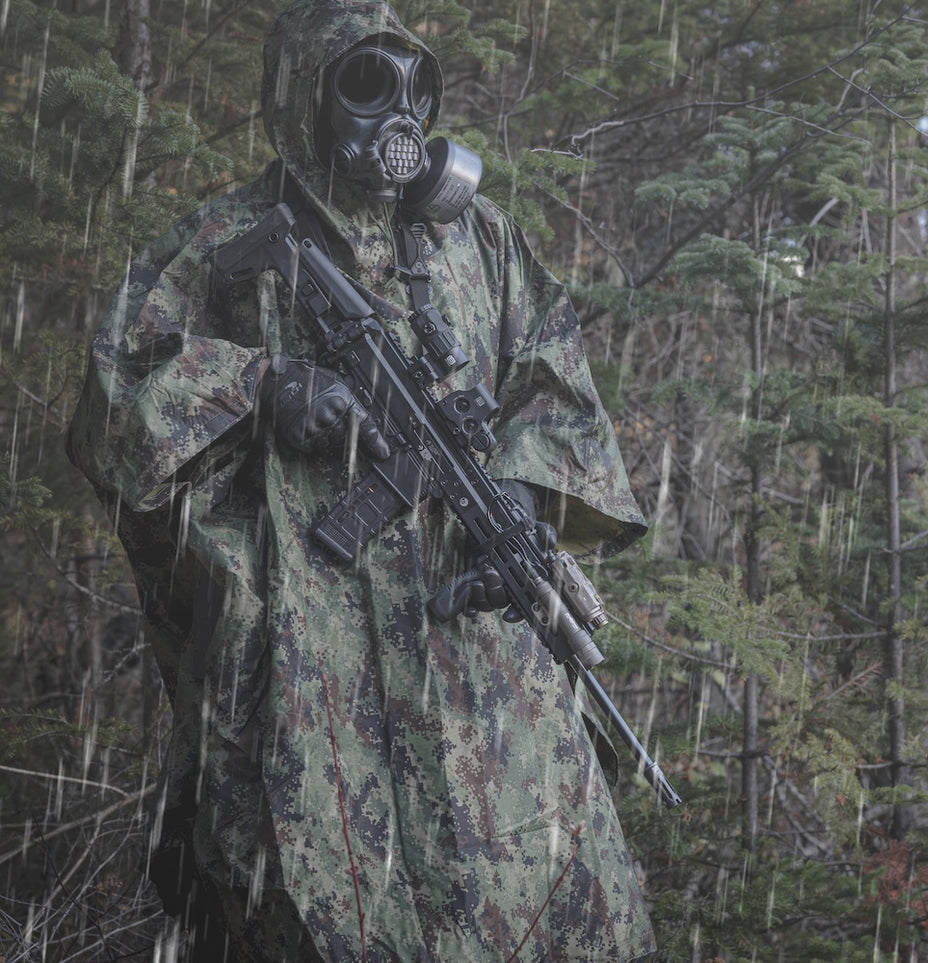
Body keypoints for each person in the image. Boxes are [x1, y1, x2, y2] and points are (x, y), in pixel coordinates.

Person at [65, 1, 656, 959]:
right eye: (364, 84)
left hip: (480, 683)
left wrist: (521, 489)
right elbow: (111, 406)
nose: (398, 116)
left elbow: (557, 385)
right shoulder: (221, 246)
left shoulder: (478, 242)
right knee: (306, 899)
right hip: (303, 666)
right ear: (302, 95)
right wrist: (260, 385)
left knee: (538, 894)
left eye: (415, 87)